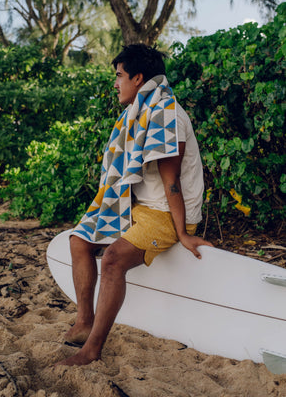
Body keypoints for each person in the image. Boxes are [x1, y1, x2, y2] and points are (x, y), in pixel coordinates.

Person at [55, 44, 213, 367]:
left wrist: (182, 232)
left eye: (119, 76)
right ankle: (85, 321)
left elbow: (172, 182)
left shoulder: (166, 113)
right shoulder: (138, 112)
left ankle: (92, 351)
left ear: (138, 78)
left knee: (112, 260)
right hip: (138, 205)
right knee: (78, 241)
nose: (116, 83)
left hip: (167, 213)